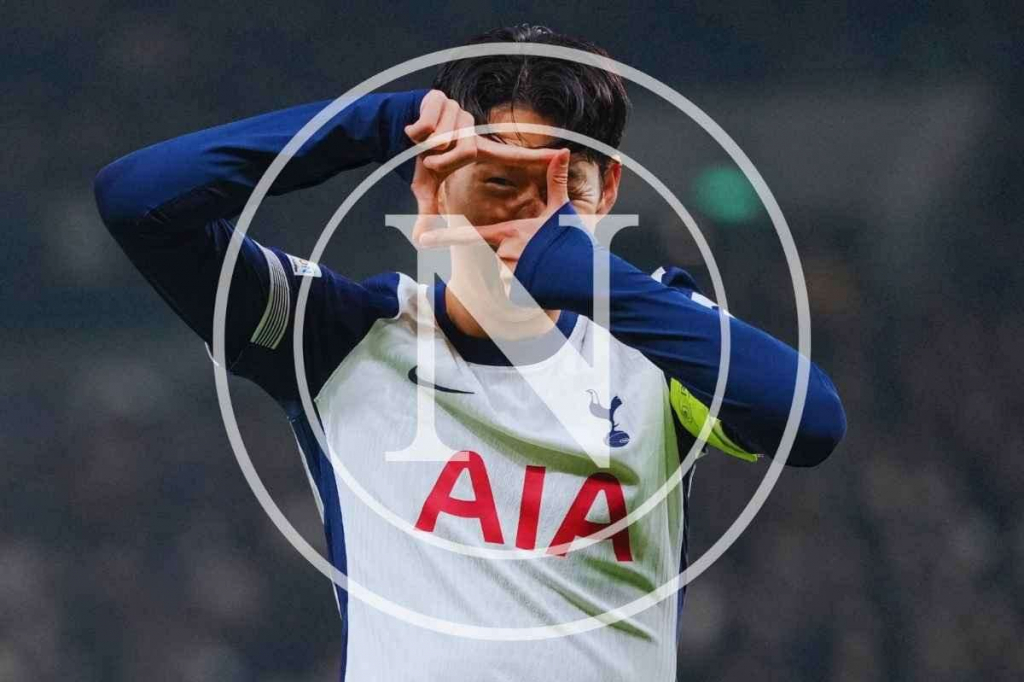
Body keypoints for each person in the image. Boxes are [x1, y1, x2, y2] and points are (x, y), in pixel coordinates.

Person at [94, 23, 845, 682]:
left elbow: (811, 421)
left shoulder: (653, 348)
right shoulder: (344, 339)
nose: (529, 221)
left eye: (565, 189)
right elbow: (138, 200)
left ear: (610, 189)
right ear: (440, 181)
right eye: (499, 180)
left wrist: (587, 277)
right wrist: (378, 124)